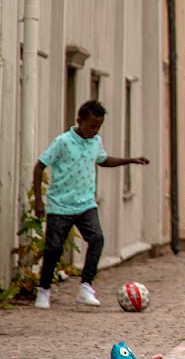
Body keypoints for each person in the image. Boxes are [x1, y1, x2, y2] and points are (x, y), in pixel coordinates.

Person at [32, 100, 150, 309]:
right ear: (79, 120)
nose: (95, 130)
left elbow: (103, 160)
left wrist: (130, 160)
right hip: (60, 204)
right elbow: (40, 166)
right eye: (91, 126)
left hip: (86, 203)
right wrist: (39, 202)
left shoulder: (96, 141)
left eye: (99, 126)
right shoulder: (63, 142)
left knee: (97, 239)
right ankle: (44, 290)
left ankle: (86, 286)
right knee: (54, 249)